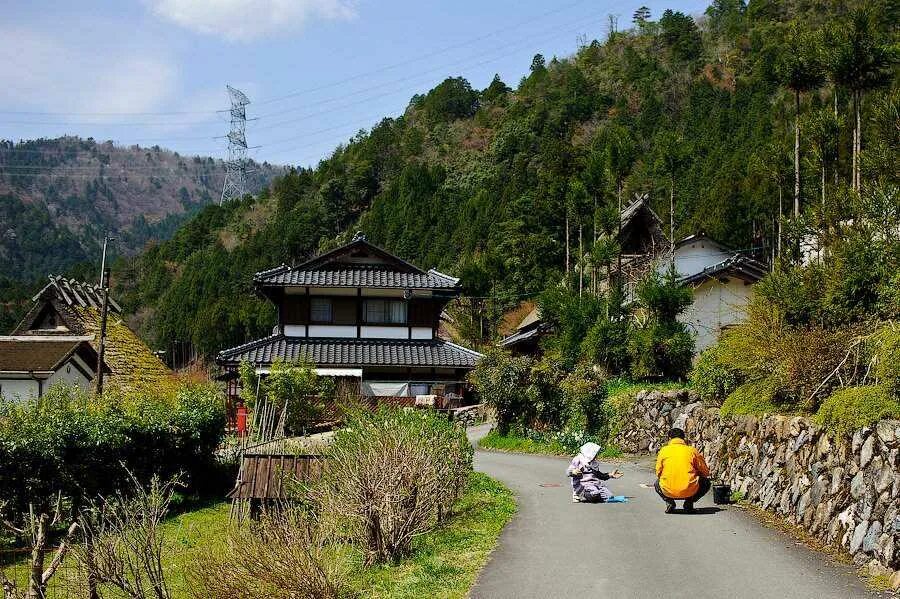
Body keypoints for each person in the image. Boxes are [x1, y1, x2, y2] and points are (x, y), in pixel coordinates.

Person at [655, 428, 711, 513]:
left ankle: (669, 501)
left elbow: (658, 472)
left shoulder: (664, 451)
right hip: (690, 489)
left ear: (669, 438)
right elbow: (705, 472)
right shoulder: (692, 450)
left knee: (657, 484)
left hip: (668, 490)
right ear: (683, 438)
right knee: (706, 482)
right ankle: (689, 502)